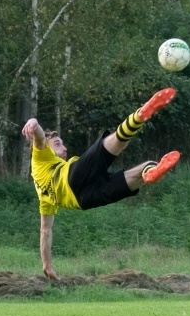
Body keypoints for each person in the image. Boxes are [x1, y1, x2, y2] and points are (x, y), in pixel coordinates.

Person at [21, 87, 181, 280]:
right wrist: (33, 122)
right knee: (113, 143)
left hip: (86, 200)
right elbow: (38, 136)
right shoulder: (40, 157)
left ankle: (150, 173)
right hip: (73, 177)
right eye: (58, 143)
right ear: (47, 147)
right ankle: (140, 115)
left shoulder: (43, 198)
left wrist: (47, 265)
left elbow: (45, 231)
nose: (64, 147)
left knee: (141, 171)